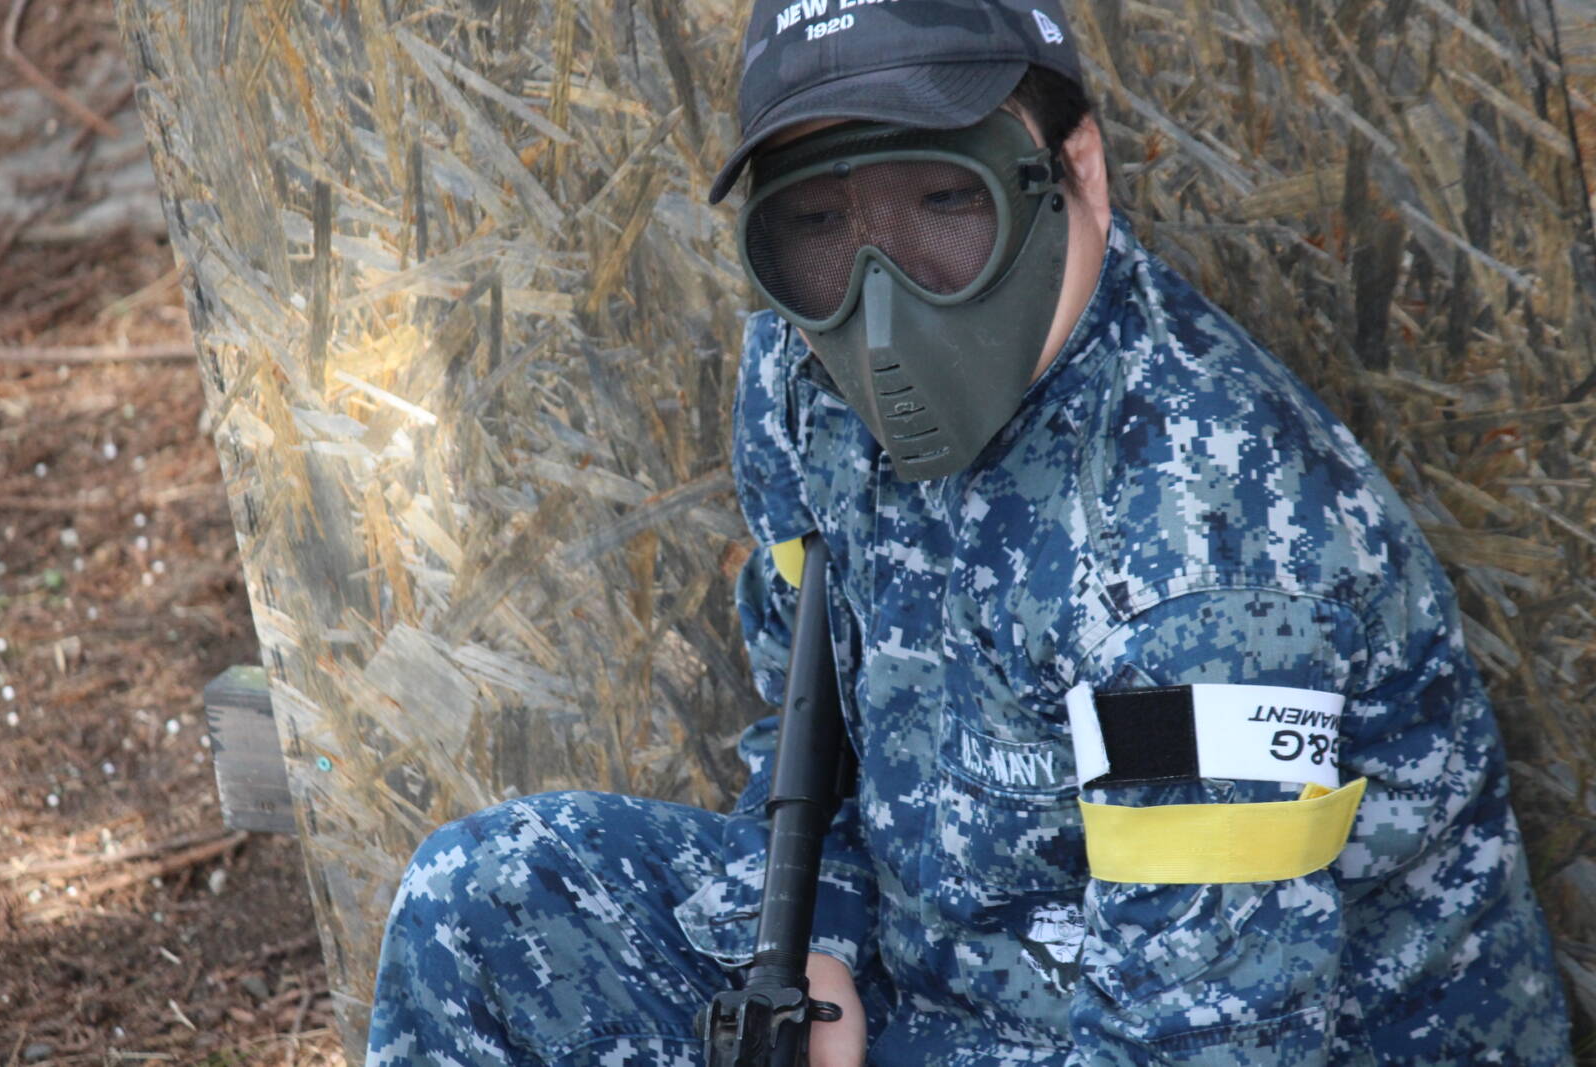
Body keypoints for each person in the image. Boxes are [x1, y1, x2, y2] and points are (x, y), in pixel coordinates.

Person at [366, 1, 1575, 1063]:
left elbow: (1207, 1034)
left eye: (944, 203)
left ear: (1076, 170)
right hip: (938, 980)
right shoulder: (800, 385)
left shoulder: (1202, 545)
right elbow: (807, 728)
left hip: (1224, 1029)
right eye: (819, 224)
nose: (880, 299)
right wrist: (816, 945)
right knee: (484, 900)